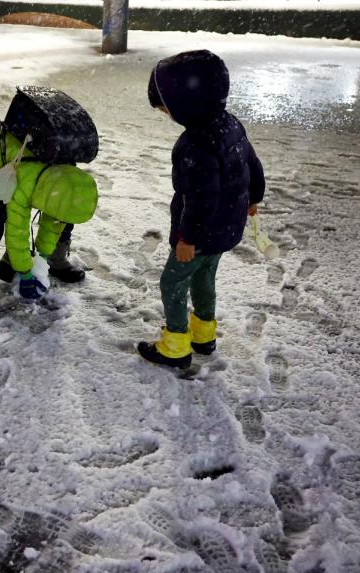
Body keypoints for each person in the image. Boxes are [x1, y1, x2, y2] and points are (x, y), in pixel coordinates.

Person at [138, 50, 266, 369]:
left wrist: (187, 238)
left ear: (185, 104)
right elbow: (252, 164)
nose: (166, 114)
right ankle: (204, 334)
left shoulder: (194, 145)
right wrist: (254, 197)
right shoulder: (231, 124)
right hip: (227, 227)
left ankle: (176, 344)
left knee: (173, 283)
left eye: (166, 108)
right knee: (205, 278)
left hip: (201, 233)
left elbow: (200, 198)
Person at [0, 131, 97, 307]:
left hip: (41, 169)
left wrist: (42, 258)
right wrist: (26, 273)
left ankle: (54, 260)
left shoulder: (67, 182)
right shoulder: (23, 185)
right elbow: (16, 231)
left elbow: (54, 222)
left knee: (65, 214)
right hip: (1, 168)